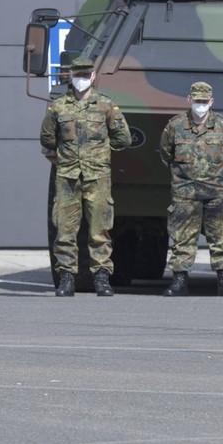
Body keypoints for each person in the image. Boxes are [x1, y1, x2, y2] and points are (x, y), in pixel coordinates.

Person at [40, 57, 131, 297]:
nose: (81, 79)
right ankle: (66, 279)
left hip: (97, 176)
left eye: (85, 75)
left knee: (100, 230)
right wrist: (64, 158)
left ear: (92, 77)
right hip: (68, 177)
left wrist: (101, 155)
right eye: (77, 75)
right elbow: (47, 138)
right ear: (70, 76)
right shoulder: (59, 106)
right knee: (65, 229)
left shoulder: (105, 105)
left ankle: (101, 278)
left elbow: (123, 138)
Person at [160, 82, 223, 297]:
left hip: (218, 191)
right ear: (189, 100)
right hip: (186, 192)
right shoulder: (175, 126)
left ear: (211, 102)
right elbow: (165, 154)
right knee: (182, 239)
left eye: (204, 102)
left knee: (221, 238)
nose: (200, 105)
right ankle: (179, 282)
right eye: (197, 101)